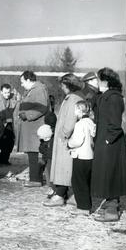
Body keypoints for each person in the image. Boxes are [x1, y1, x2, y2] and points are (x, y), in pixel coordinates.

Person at [90, 68, 126, 222]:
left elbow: (115, 123)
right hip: (105, 141)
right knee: (106, 173)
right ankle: (110, 203)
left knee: (110, 173)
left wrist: (107, 140)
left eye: (99, 80)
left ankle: (112, 209)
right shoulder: (105, 96)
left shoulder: (113, 98)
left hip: (110, 143)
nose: (97, 83)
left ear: (106, 81)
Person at [43, 73, 84, 207]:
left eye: (62, 84)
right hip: (63, 140)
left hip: (65, 141)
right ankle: (67, 194)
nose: (61, 87)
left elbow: (70, 121)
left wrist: (63, 135)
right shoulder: (71, 98)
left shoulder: (73, 100)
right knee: (63, 168)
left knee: (63, 167)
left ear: (67, 85)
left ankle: (60, 195)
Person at [17, 70, 49, 187]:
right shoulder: (31, 91)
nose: (21, 84)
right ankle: (34, 178)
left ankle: (35, 180)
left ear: (29, 80)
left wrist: (26, 115)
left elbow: (42, 108)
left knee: (34, 153)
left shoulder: (39, 90)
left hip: (35, 127)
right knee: (32, 153)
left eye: (22, 81)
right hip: (31, 127)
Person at [67, 100, 96, 216]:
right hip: (89, 156)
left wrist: (69, 143)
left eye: (75, 109)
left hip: (80, 156)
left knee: (78, 181)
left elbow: (77, 140)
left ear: (79, 110)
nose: (74, 111)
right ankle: (86, 205)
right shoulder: (91, 122)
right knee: (86, 181)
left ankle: (83, 207)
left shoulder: (80, 124)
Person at [0, 84, 20, 166]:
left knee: (9, 142)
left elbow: (18, 103)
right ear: (1, 92)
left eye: (8, 92)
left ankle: (4, 159)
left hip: (9, 123)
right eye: (5, 93)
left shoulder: (13, 97)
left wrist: (18, 99)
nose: (7, 94)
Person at [37, 124, 54, 196]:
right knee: (47, 172)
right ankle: (50, 186)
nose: (39, 137)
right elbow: (41, 149)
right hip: (46, 159)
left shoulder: (51, 142)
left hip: (50, 159)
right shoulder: (43, 141)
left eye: (40, 136)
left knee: (50, 173)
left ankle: (52, 188)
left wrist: (44, 158)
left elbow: (48, 152)